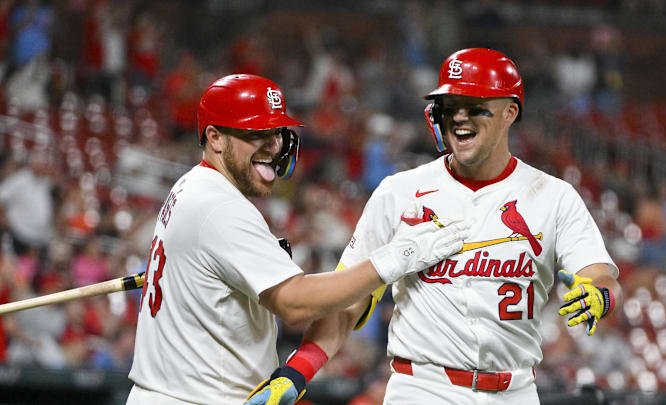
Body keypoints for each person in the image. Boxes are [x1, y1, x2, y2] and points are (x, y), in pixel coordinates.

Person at [247, 48, 624, 405]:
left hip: (517, 389)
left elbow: (600, 274)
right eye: (450, 106)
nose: (459, 116)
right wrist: (297, 372)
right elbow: (350, 301)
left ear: (510, 112)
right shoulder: (399, 192)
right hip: (424, 387)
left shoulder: (553, 196)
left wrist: (599, 295)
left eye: (474, 106)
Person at [125, 74, 469, 404]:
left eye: (276, 133)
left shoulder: (191, 187)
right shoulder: (219, 206)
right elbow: (296, 304)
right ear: (215, 138)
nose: (274, 146)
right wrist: (395, 258)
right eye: (256, 133)